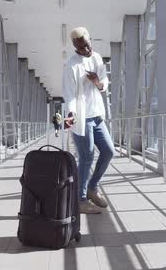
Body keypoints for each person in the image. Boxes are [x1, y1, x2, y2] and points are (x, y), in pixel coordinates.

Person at [63, 27, 115, 214]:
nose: (85, 50)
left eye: (87, 45)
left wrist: (96, 82)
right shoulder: (71, 65)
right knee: (86, 157)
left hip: (97, 115)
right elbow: (69, 95)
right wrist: (70, 114)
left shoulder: (97, 58)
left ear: (89, 40)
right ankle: (81, 200)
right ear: (75, 47)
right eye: (80, 48)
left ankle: (92, 187)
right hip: (82, 117)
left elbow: (103, 84)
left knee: (109, 151)